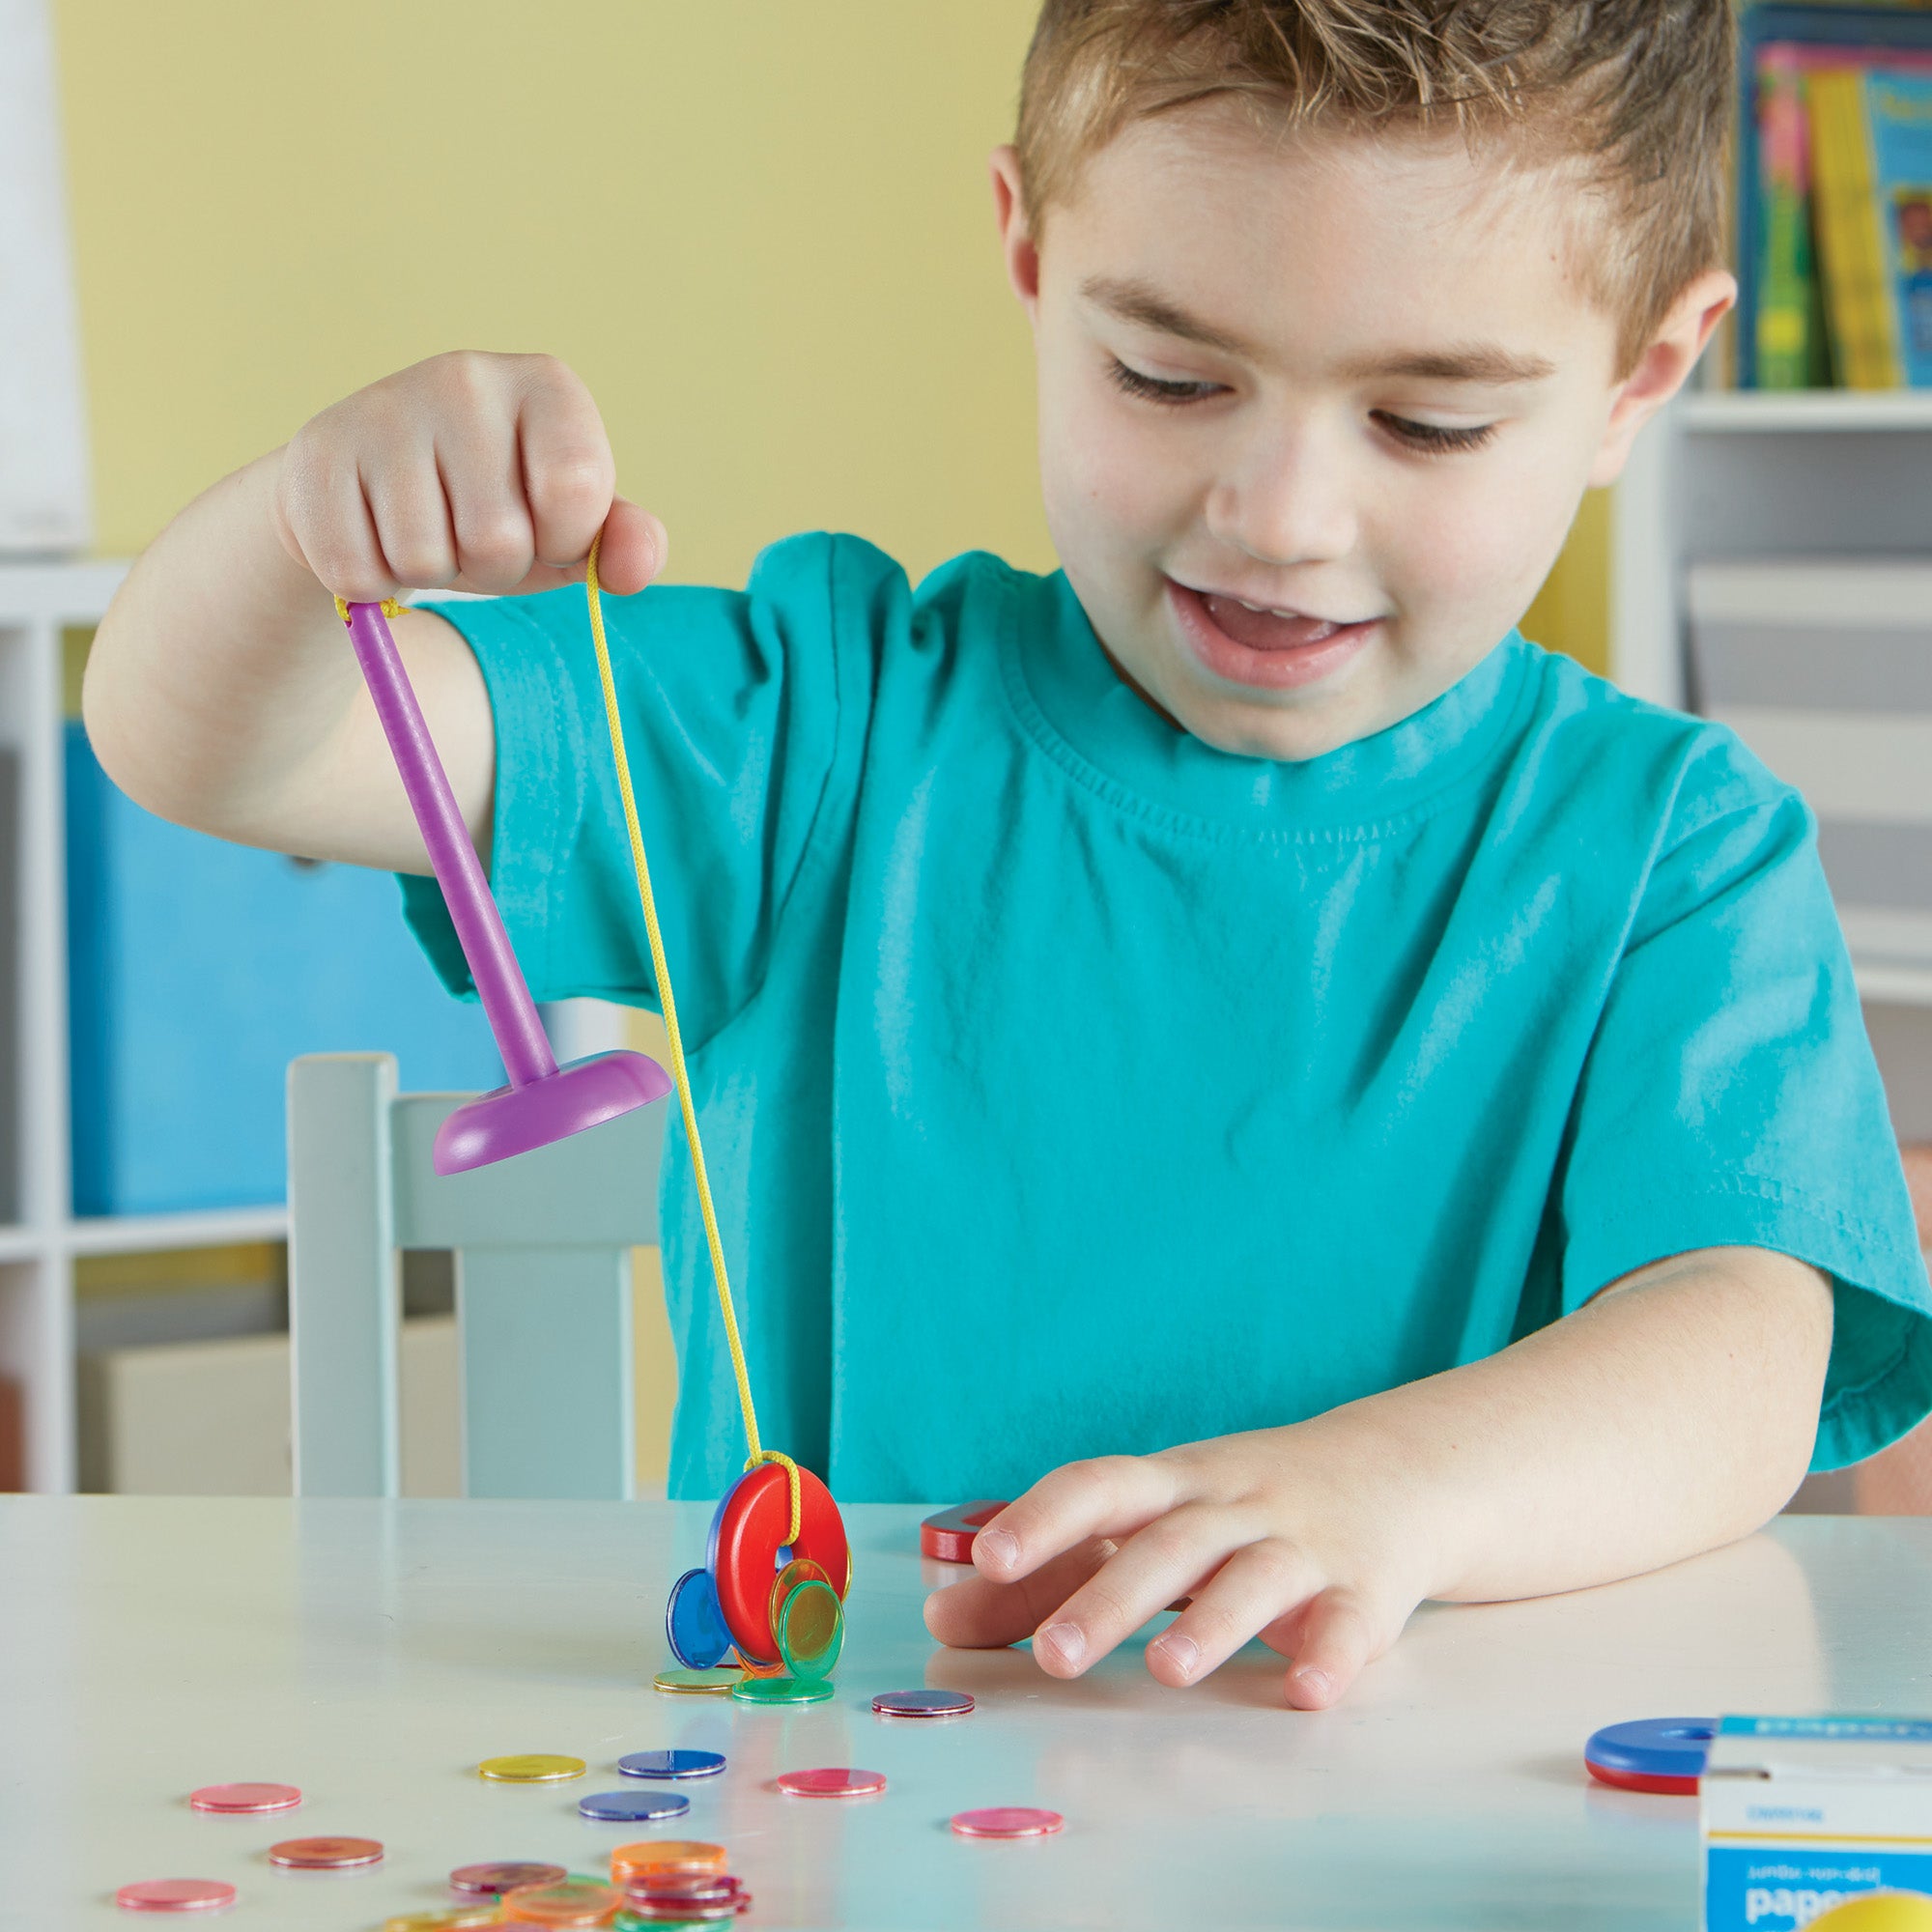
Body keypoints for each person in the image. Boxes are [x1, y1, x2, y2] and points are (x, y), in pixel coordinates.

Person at [84, 0, 1932, 1709]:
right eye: (1169, 377)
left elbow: (1745, 1354)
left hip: (1414, 1795)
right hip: (852, 1800)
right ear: (1032, 256)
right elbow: (201, 745)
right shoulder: (820, 721)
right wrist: (293, 532)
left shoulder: (1671, 854)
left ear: (1642, 374)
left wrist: (1385, 1492)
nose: (1280, 518)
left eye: (1425, 420)